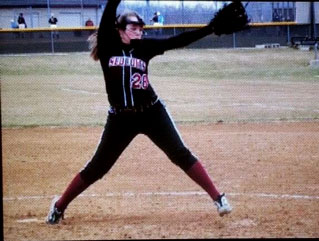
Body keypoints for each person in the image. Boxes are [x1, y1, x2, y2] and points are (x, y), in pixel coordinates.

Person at [46, 0, 249, 225]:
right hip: (120, 119)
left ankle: (218, 198)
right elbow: (108, 14)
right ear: (120, 30)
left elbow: (177, 41)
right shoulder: (107, 46)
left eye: (141, 29)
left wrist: (209, 29)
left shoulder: (144, 48)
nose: (139, 32)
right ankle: (59, 206)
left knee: (180, 154)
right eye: (134, 28)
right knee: (98, 167)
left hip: (151, 113)